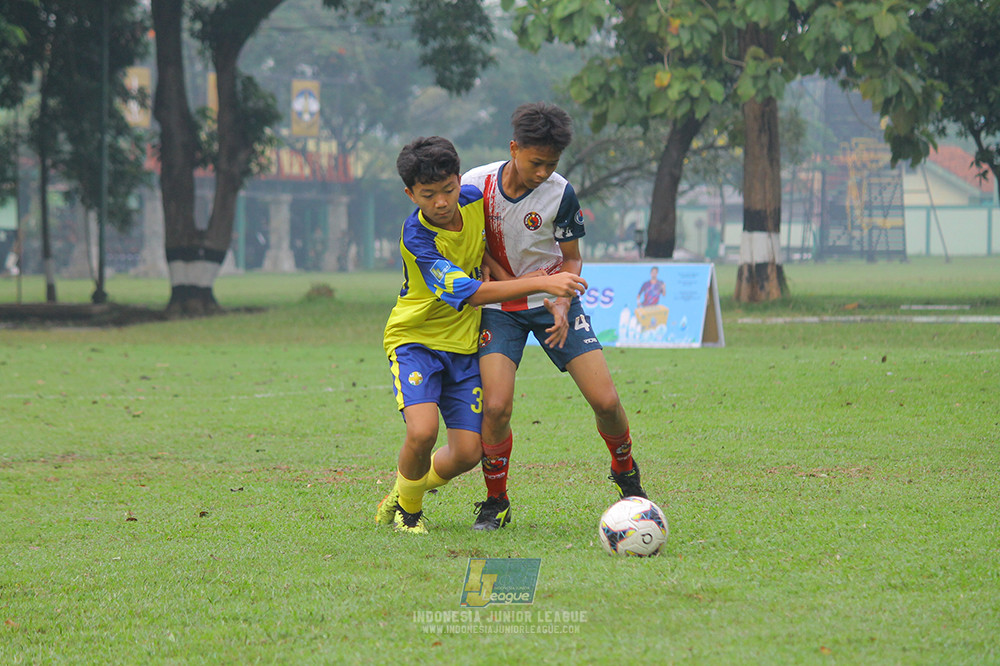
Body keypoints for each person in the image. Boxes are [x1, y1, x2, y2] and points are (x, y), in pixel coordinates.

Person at [375, 136, 588, 534]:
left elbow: (482, 246)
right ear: (410, 194)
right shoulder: (417, 238)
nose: (441, 202)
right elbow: (471, 294)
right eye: (427, 194)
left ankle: (402, 491)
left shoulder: (473, 200)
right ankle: (410, 512)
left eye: (448, 189)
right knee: (422, 432)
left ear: (460, 179)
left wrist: (497, 268)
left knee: (468, 452)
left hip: (463, 345)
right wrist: (540, 284)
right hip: (416, 341)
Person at [462, 102, 648, 532]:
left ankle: (625, 472)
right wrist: (494, 266)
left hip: (553, 302)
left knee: (605, 401)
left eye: (552, 164)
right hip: (499, 307)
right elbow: (468, 240)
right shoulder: (475, 185)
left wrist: (562, 304)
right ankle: (495, 503)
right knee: (495, 406)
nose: (544, 172)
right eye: (536, 162)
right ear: (514, 148)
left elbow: (572, 260)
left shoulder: (561, 193)